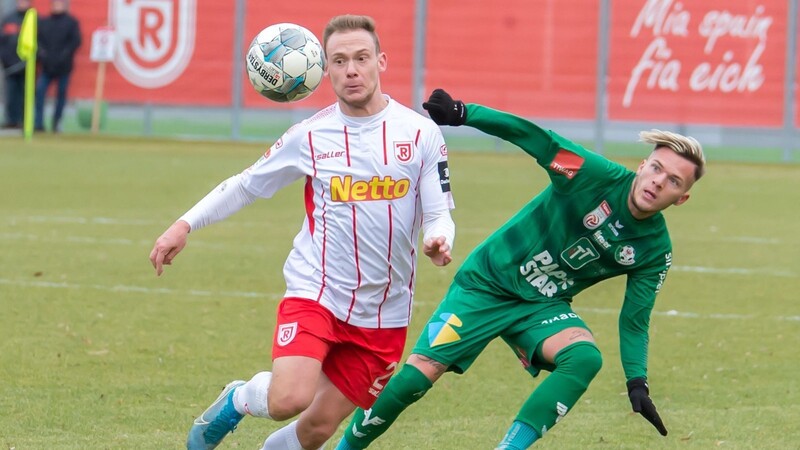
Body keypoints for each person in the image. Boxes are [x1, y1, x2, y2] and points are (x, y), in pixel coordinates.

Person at [334, 89, 706, 450]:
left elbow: (635, 320)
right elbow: (537, 140)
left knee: (584, 358)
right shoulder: (590, 174)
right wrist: (465, 113)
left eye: (673, 181)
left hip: (541, 305)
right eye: (656, 168)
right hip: (488, 282)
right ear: (643, 166)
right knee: (418, 376)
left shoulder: (655, 251)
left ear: (682, 198)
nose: (659, 181)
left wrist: (637, 382)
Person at [149, 15, 456, 450]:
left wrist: (438, 238)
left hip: (385, 311)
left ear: (381, 62)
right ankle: (238, 398)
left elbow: (440, 213)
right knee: (289, 398)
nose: (352, 69)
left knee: (316, 429)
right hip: (319, 291)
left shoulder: (421, 133)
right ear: (324, 71)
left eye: (361, 58)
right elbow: (246, 184)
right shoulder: (311, 136)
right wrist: (184, 224)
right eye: (340, 61)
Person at [34, 0, 81, 132]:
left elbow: (76, 41)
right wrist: (42, 54)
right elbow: (38, 41)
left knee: (61, 95)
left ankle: (56, 122)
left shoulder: (71, 23)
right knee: (40, 93)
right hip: (46, 66)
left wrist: (64, 55)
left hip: (64, 67)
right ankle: (38, 123)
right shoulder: (45, 22)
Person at [0, 0, 31, 129]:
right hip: (10, 65)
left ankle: (25, 121)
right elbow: (2, 42)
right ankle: (11, 121)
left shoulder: (33, 19)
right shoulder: (9, 19)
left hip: (28, 66)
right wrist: (6, 60)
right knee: (11, 95)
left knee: (26, 95)